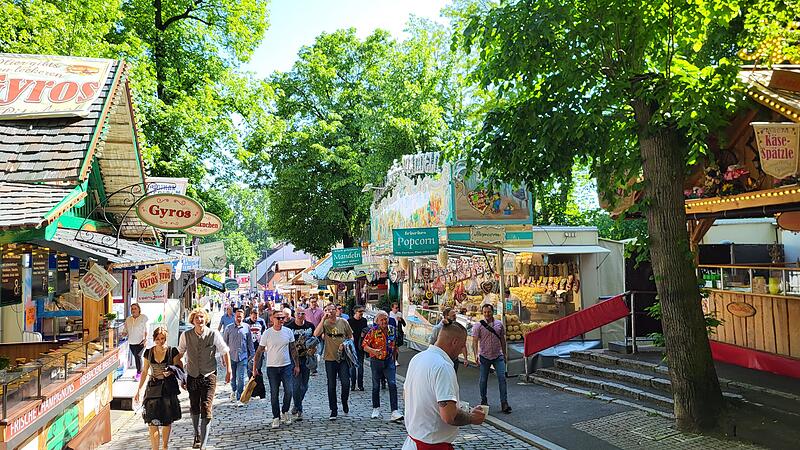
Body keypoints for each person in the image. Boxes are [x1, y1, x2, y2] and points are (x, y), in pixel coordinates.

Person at [403, 321, 486, 450]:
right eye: (462, 344)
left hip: (414, 441)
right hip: (431, 445)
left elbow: (406, 395)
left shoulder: (417, 358)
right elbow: (448, 416)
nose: (462, 349)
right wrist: (471, 418)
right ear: (454, 342)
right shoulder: (443, 367)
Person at [177, 308, 231, 449]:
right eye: (197, 318)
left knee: (206, 406)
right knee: (194, 406)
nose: (199, 320)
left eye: (201, 317)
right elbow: (180, 354)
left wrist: (229, 370)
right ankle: (196, 434)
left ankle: (204, 444)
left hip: (209, 374)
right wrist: (181, 374)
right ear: (192, 320)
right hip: (192, 375)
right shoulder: (186, 335)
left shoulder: (213, 334)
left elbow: (225, 351)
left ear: (205, 319)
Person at [134, 327, 181, 450]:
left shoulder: (172, 351)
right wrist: (138, 389)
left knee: (166, 420)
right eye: (158, 339)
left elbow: (179, 368)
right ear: (154, 339)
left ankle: (164, 447)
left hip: (167, 389)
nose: (160, 341)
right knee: (152, 422)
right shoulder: (148, 352)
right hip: (153, 388)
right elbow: (144, 371)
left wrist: (171, 372)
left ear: (166, 338)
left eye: (163, 339)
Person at [253, 310, 300, 429]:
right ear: (272, 319)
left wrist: (297, 365)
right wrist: (255, 368)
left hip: (286, 366)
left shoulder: (288, 332)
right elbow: (259, 352)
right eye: (278, 318)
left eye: (282, 318)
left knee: (289, 391)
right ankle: (276, 417)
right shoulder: (267, 333)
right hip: (272, 367)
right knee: (274, 393)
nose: (280, 320)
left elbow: (293, 349)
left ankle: (285, 411)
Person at [313, 303, 353, 420]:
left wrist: (345, 344)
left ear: (336, 311)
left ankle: (344, 401)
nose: (330, 312)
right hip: (330, 358)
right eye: (327, 310)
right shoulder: (324, 323)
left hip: (343, 358)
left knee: (346, 383)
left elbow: (351, 337)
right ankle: (333, 409)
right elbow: (316, 334)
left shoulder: (343, 322)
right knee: (331, 385)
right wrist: (322, 320)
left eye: (332, 310)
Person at [362, 311, 403, 422]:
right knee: (376, 386)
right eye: (382, 320)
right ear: (377, 321)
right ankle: (376, 408)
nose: (384, 321)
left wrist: (395, 360)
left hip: (389, 361)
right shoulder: (373, 331)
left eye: (386, 319)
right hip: (376, 361)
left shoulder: (392, 330)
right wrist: (373, 351)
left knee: (392, 384)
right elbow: (364, 345)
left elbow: (395, 346)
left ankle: (394, 411)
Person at [472, 303, 512, 414]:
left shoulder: (499, 324)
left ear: (492, 312)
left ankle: (504, 402)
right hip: (484, 356)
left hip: (497, 355)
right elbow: (475, 341)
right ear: (482, 313)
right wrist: (476, 354)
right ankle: (483, 400)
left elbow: (502, 340)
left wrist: (505, 353)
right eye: (485, 312)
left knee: (502, 378)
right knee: (483, 380)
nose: (487, 314)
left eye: (489, 312)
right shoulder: (478, 326)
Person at [285, 306, 316, 420]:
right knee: (296, 385)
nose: (300, 316)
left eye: (302, 313)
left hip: (306, 358)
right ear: (294, 315)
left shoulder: (310, 326)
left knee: (304, 385)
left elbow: (314, 340)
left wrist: (313, 348)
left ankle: (297, 404)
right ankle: (299, 408)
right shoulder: (288, 327)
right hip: (293, 359)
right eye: (298, 313)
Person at [223, 309, 254, 405]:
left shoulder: (247, 327)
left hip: (243, 356)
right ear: (234, 317)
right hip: (231, 357)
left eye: (240, 316)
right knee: (233, 377)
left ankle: (239, 397)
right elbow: (224, 344)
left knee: (241, 377)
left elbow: (250, 342)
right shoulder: (228, 328)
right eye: (237, 316)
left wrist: (252, 355)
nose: (239, 318)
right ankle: (233, 390)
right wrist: (223, 358)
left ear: (243, 317)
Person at [430, 308, 469, 373]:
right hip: (441, 358)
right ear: (446, 316)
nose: (455, 317)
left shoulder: (457, 328)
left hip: (454, 359)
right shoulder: (437, 329)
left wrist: (465, 358)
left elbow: (463, 345)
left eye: (455, 315)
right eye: (453, 316)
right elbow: (431, 343)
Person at [123, 303, 148, 381]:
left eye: (135, 308)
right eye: (132, 309)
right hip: (131, 342)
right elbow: (126, 329)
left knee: (138, 356)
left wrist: (145, 339)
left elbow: (147, 328)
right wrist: (124, 333)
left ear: (139, 309)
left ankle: (139, 374)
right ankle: (141, 371)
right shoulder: (128, 319)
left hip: (141, 342)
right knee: (136, 357)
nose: (133, 310)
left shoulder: (143, 317)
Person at [347, 306, 369, 391]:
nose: (361, 313)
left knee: (360, 366)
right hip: (352, 346)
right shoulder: (349, 321)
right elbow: (347, 332)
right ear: (355, 312)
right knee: (352, 366)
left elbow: (366, 330)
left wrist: (364, 333)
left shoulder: (364, 320)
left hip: (361, 346)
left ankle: (360, 384)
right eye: (360, 311)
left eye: (362, 312)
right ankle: (352, 384)